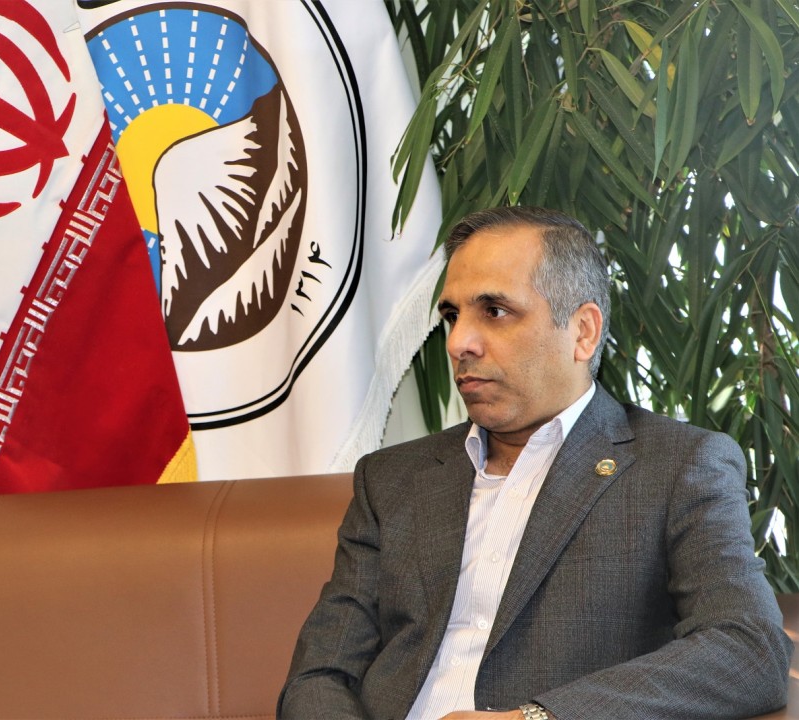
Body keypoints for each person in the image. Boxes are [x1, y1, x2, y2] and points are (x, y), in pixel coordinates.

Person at [278, 206, 792, 720]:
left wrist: (536, 718)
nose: (458, 342)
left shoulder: (676, 467)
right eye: (453, 315)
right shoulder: (391, 479)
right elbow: (320, 674)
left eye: (495, 311)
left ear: (583, 332)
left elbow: (749, 649)